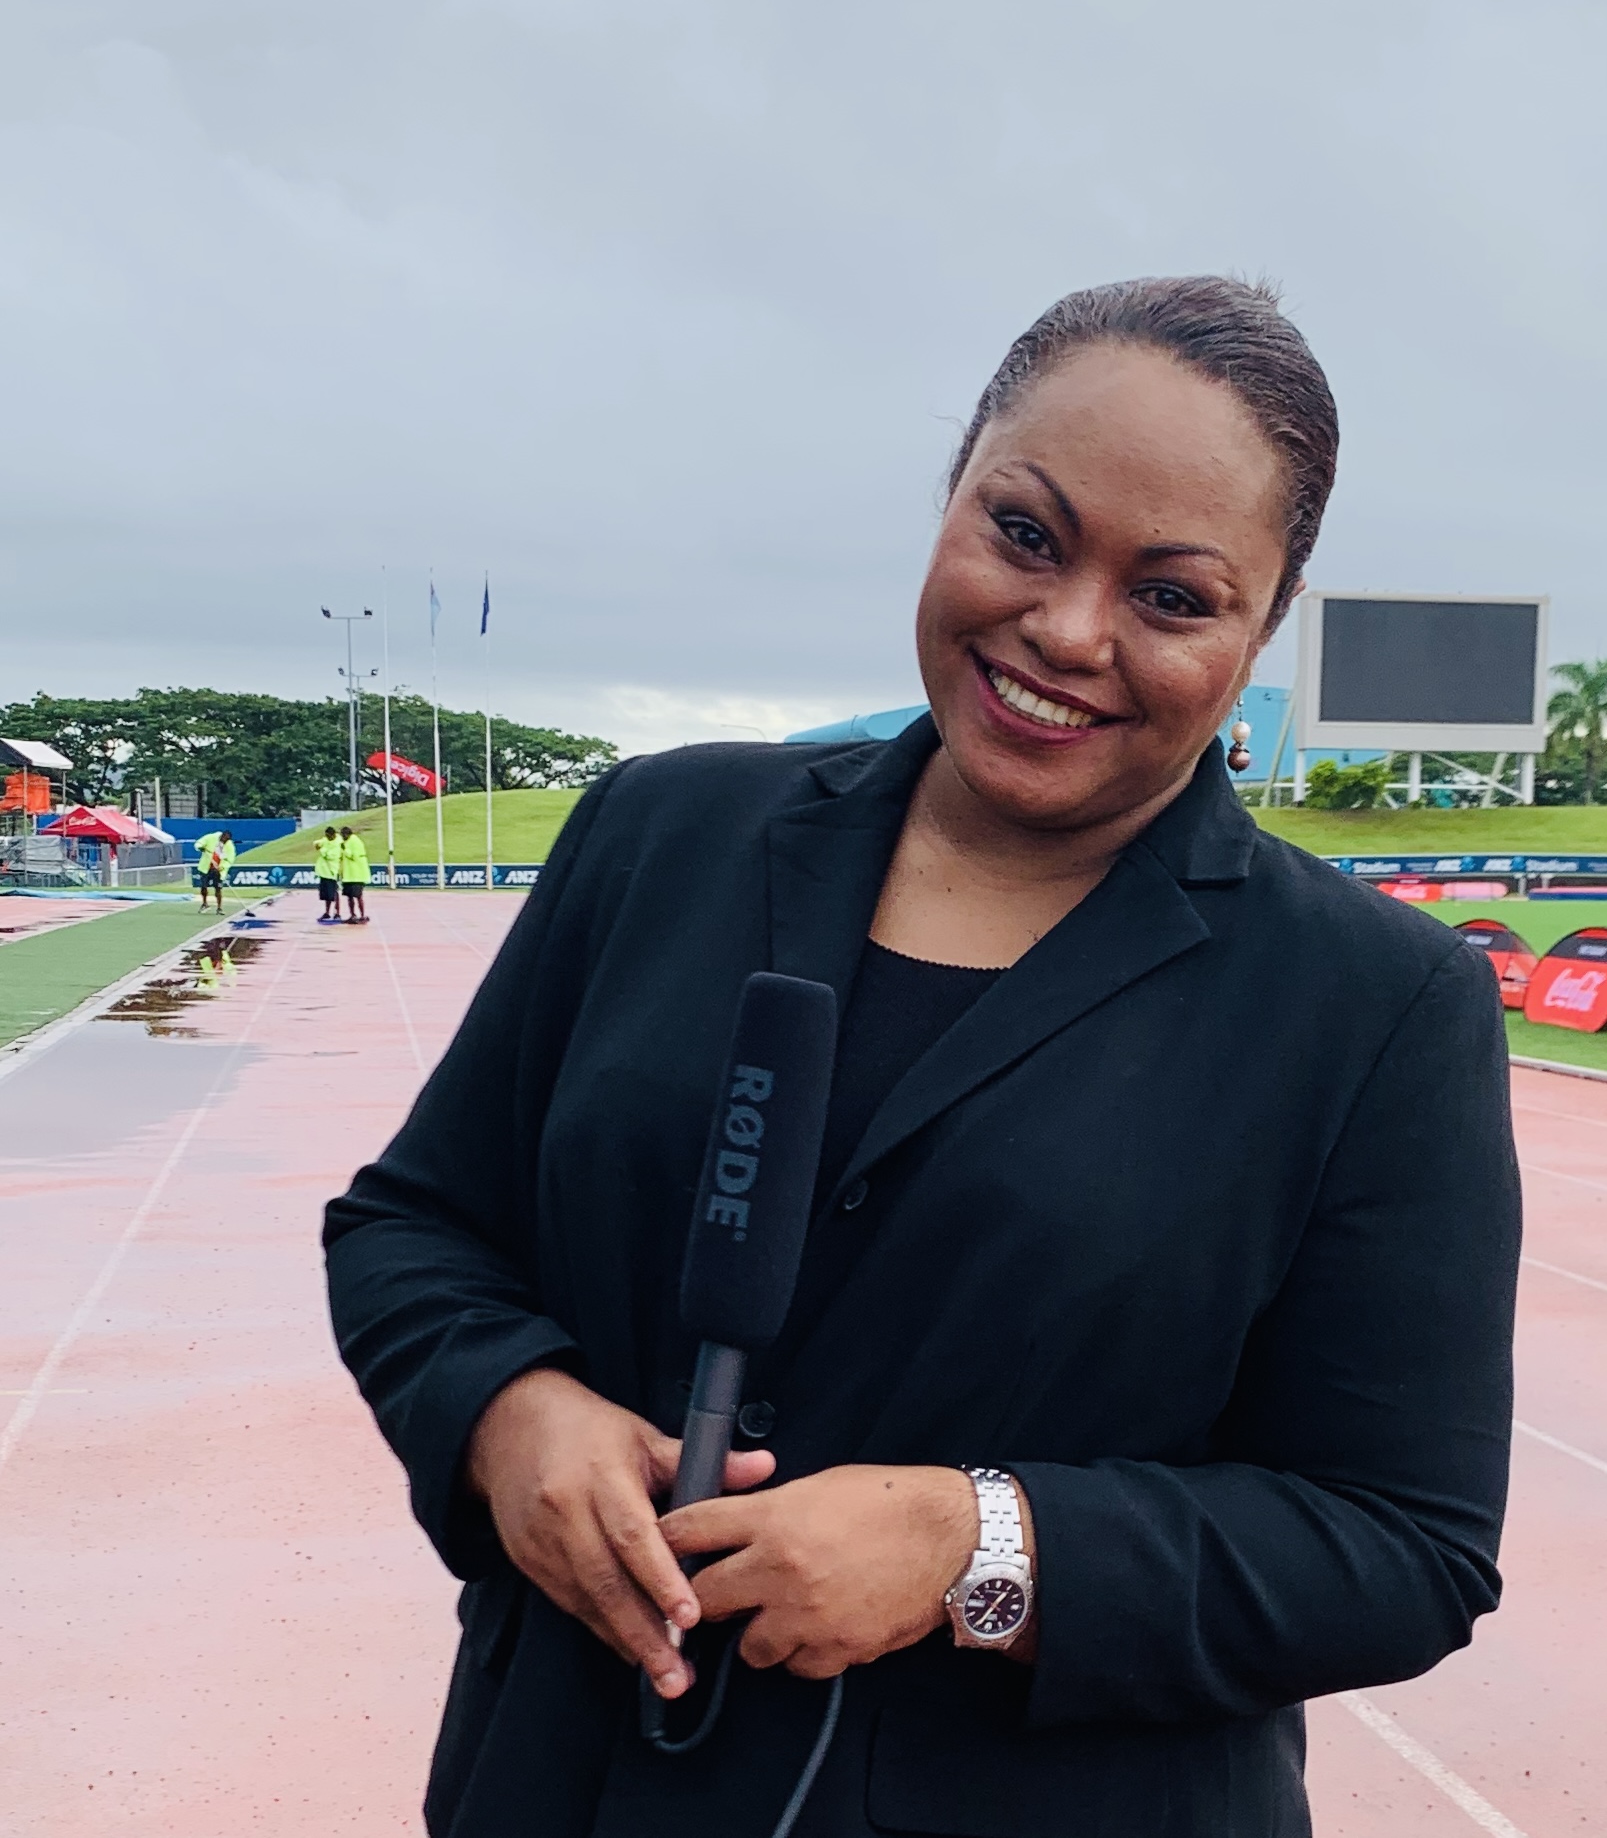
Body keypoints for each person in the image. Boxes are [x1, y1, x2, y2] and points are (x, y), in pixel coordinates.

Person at [324, 277, 1520, 1838]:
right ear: (954, 494)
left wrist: (983, 1547)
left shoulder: (1375, 1002)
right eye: (1025, 532)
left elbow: (1404, 1541)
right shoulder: (661, 836)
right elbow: (415, 1224)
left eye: (1172, 596)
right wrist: (508, 1410)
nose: (1068, 630)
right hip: (573, 1777)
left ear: (1261, 628)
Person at [193, 828, 233, 913]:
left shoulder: (229, 846)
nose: (225, 841)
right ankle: (204, 904)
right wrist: (200, 847)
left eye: (227, 840)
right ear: (221, 836)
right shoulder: (211, 837)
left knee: (218, 889)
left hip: (218, 870)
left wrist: (222, 867)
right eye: (224, 839)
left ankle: (219, 908)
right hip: (205, 868)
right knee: (203, 887)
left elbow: (230, 859)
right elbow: (198, 843)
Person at [339, 825, 372, 924]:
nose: (342, 837)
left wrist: (345, 849)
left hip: (357, 875)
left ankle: (362, 915)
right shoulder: (345, 842)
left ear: (348, 834)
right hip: (348, 875)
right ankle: (352, 915)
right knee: (349, 896)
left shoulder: (356, 842)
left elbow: (354, 856)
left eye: (343, 835)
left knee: (358, 896)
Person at [314, 825, 343, 924]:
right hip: (323, 872)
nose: (328, 838)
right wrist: (317, 845)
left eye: (329, 836)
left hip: (332, 871)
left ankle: (337, 912)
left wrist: (322, 850)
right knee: (326, 895)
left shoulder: (338, 842)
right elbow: (317, 843)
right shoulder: (325, 840)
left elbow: (331, 856)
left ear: (333, 834)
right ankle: (327, 912)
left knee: (334, 893)